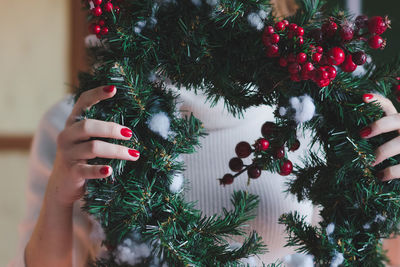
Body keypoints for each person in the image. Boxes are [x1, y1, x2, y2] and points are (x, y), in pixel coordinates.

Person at [7, 1, 400, 267]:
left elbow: (375, 254)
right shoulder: (87, 123)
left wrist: (389, 188)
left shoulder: (315, 110)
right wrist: (59, 193)